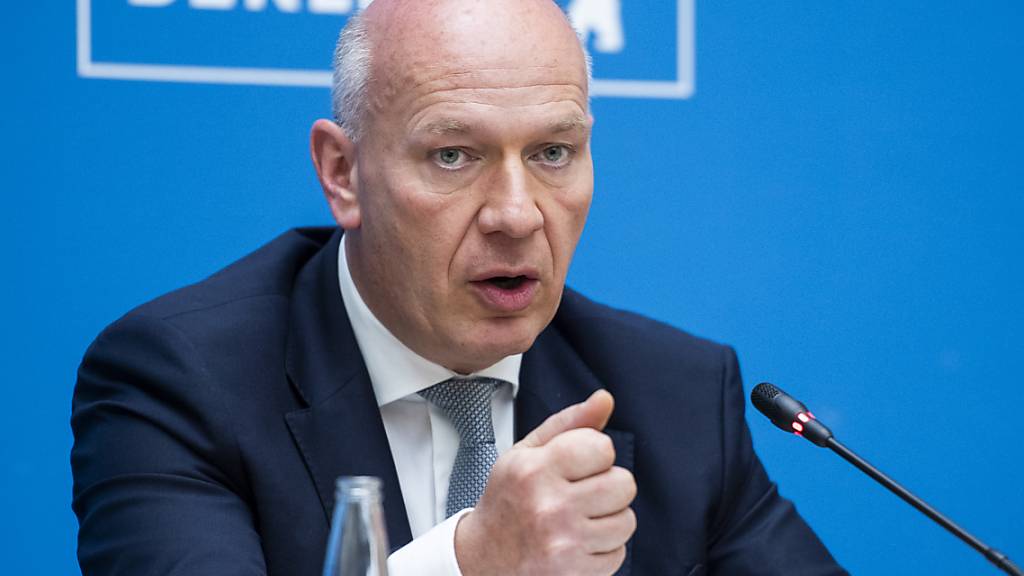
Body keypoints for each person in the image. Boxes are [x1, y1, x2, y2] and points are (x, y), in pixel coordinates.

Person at [71, 1, 846, 574]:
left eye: (552, 152)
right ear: (342, 174)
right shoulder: (181, 379)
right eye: (453, 156)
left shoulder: (678, 394)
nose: (516, 215)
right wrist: (469, 563)